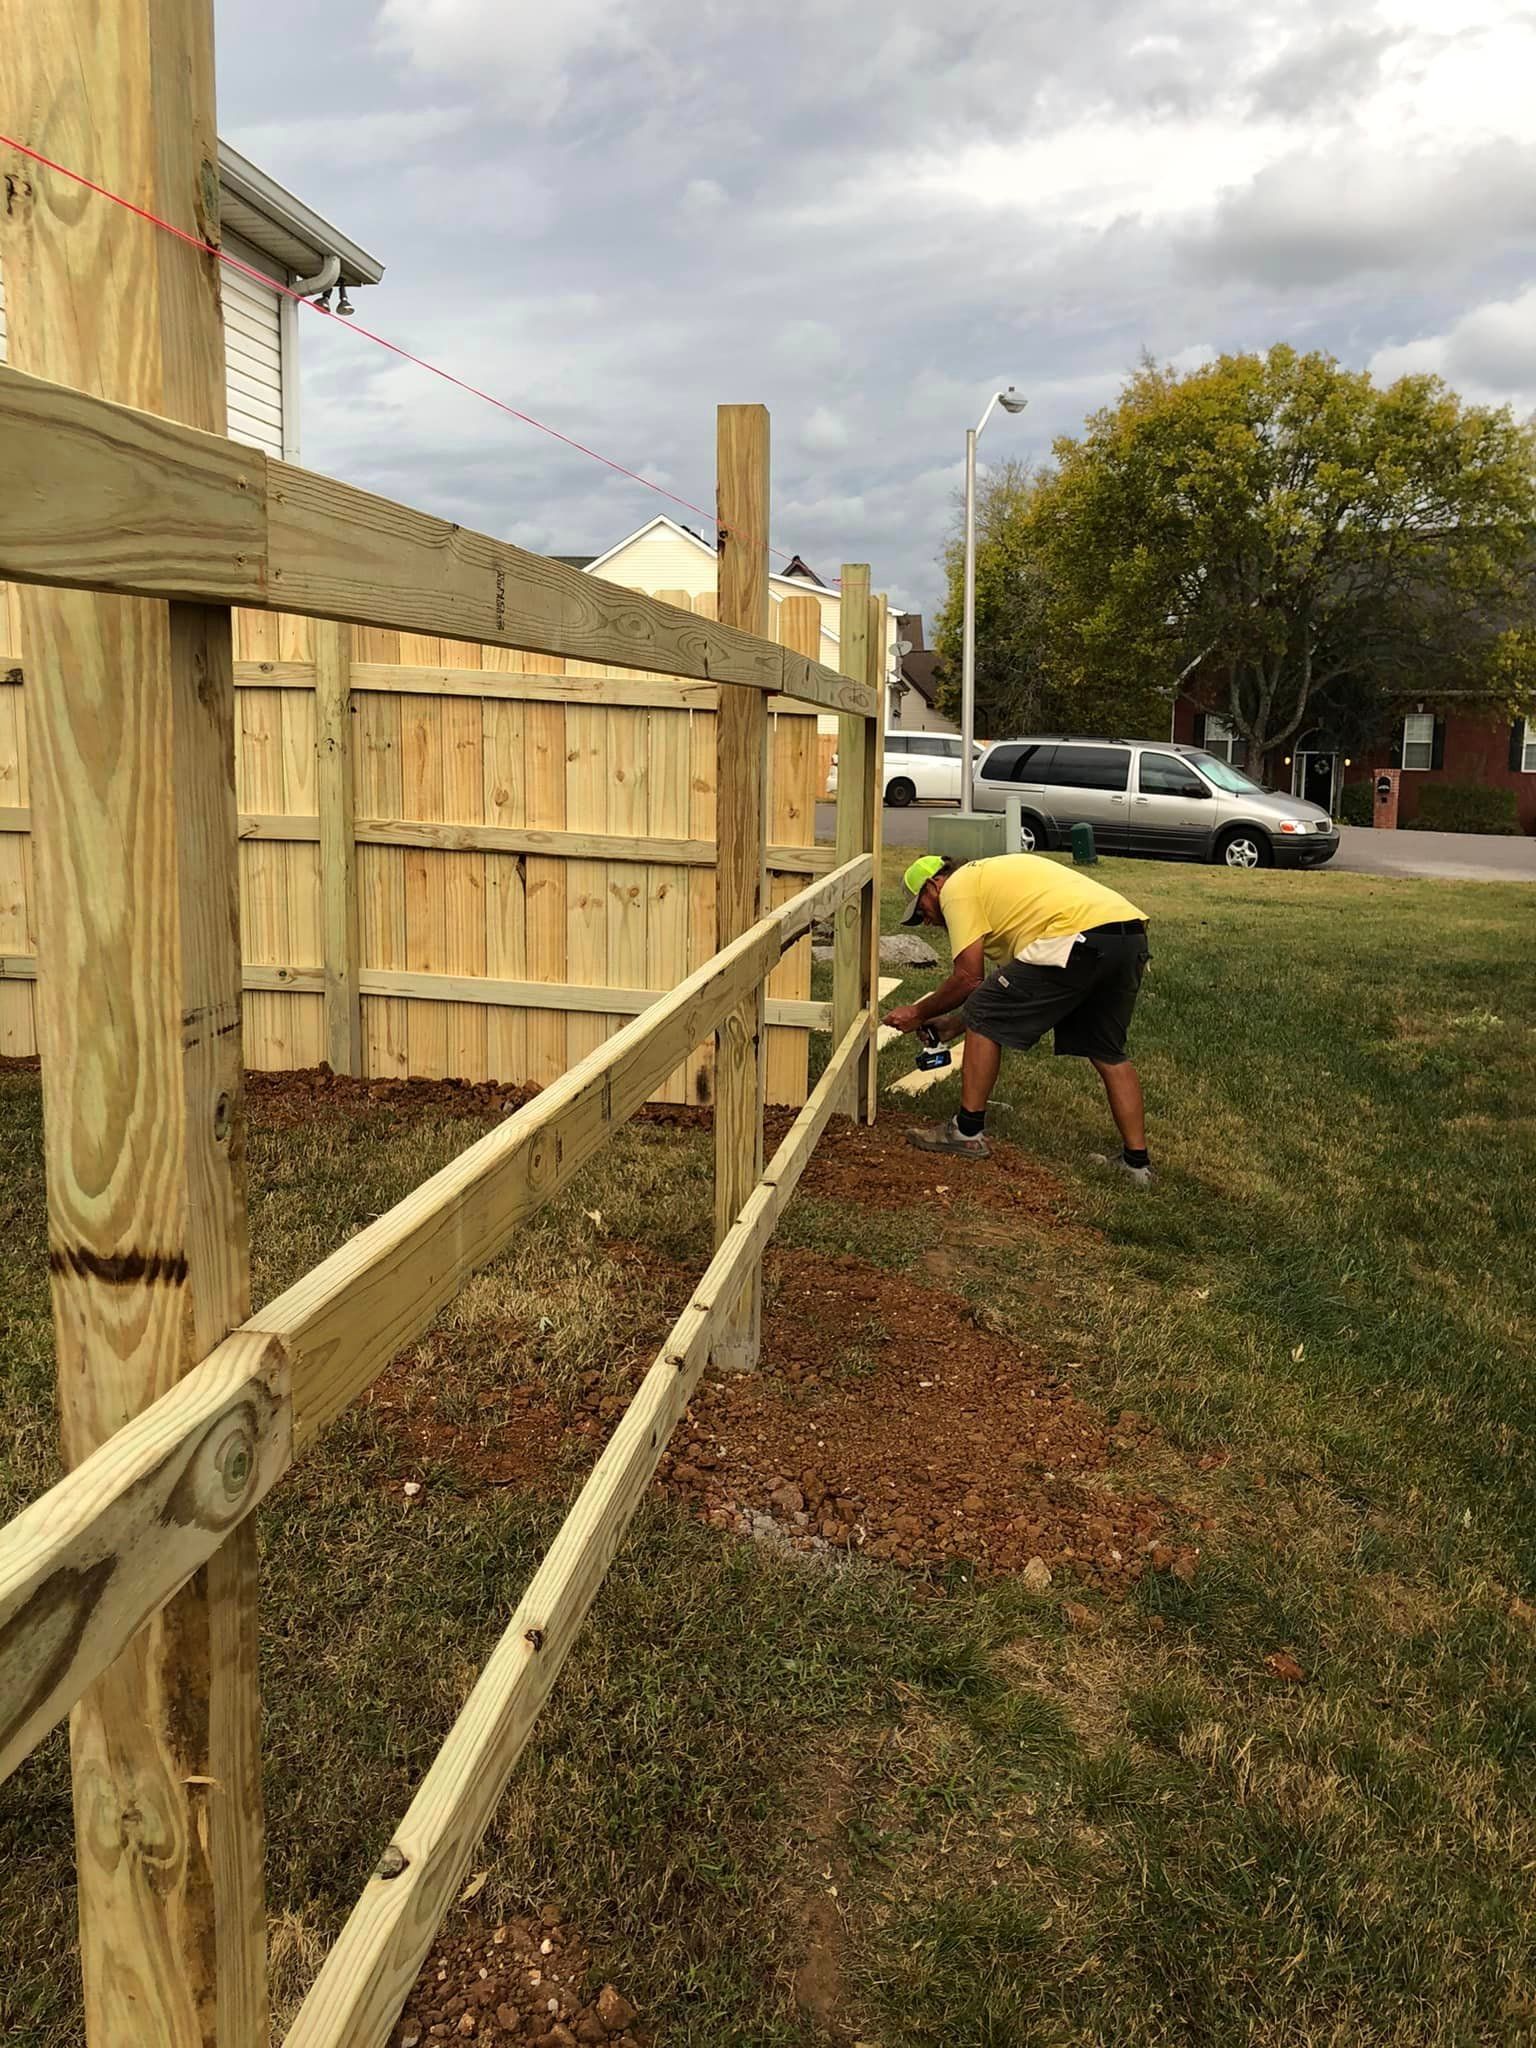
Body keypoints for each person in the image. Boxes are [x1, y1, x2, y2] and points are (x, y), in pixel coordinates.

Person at [884, 851, 1155, 1184]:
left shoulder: (958, 887)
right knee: (1106, 1051)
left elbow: (969, 978)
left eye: (920, 908)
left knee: (984, 1009)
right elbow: (1008, 990)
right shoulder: (996, 887)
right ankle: (1137, 1166)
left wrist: (918, 1012)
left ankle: (966, 1131)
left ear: (934, 884)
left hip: (1076, 937)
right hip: (1126, 937)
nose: (924, 919)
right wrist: (953, 1025)